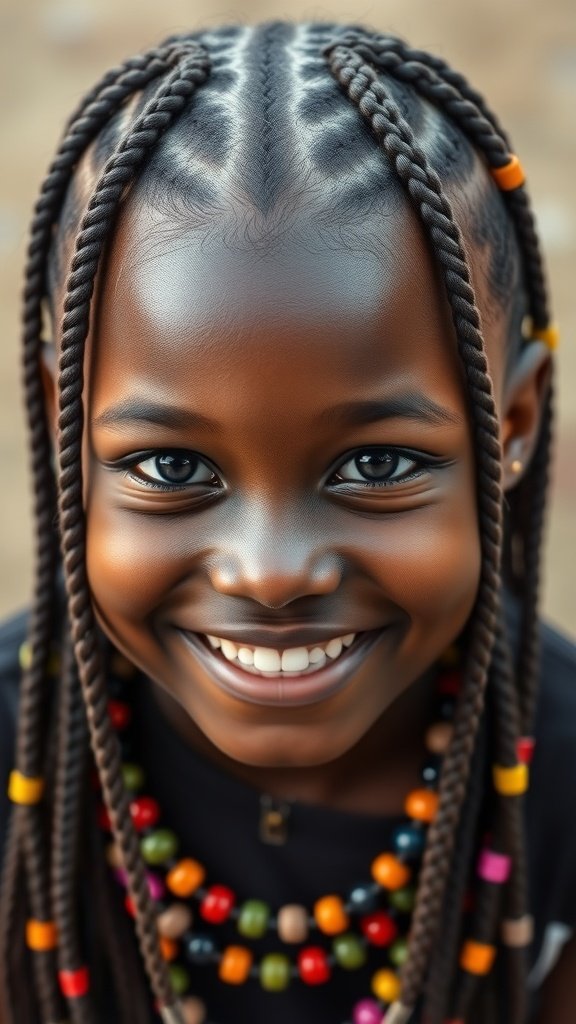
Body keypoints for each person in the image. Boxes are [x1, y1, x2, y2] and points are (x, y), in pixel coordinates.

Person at [0, 18, 573, 1024]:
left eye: (378, 464)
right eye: (172, 466)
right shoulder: (22, 766)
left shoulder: (556, 784)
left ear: (511, 426)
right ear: (62, 424)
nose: (270, 572)